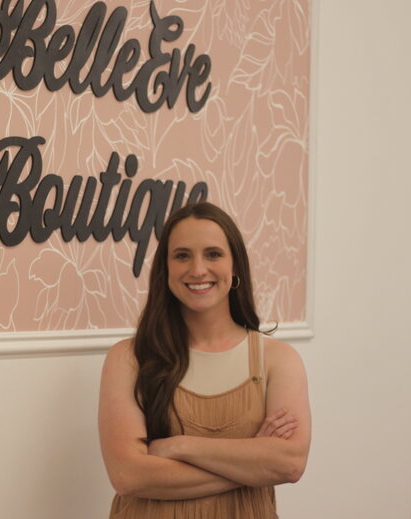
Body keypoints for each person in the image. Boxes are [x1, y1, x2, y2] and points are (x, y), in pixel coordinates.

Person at [98, 201, 310, 518]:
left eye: (213, 254)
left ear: (235, 264)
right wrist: (251, 462)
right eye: (182, 255)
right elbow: (128, 476)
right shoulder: (128, 358)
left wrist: (180, 446)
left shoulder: (277, 360)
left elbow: (289, 464)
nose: (197, 269)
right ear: (166, 268)